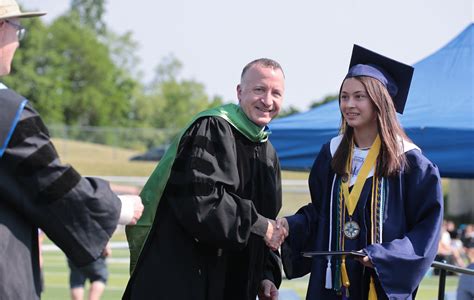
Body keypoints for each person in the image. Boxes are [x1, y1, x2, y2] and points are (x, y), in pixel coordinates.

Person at [0, 0, 144, 299]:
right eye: (16, 29)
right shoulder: (6, 114)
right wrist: (116, 206)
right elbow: (50, 183)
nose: (16, 41)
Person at [278, 45, 443, 299]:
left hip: (376, 286)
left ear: (380, 101)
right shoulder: (331, 154)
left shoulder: (410, 163)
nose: (349, 104)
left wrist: (384, 256)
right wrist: (290, 225)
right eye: (344, 97)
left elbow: (426, 230)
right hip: (330, 285)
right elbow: (320, 214)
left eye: (359, 97)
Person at [123, 58, 287, 300]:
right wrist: (260, 226)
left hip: (232, 283)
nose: (267, 101)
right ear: (240, 92)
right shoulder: (213, 129)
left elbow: (269, 219)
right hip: (185, 279)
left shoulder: (268, 153)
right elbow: (203, 203)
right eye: (259, 90)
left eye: (276, 93)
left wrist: (265, 274)